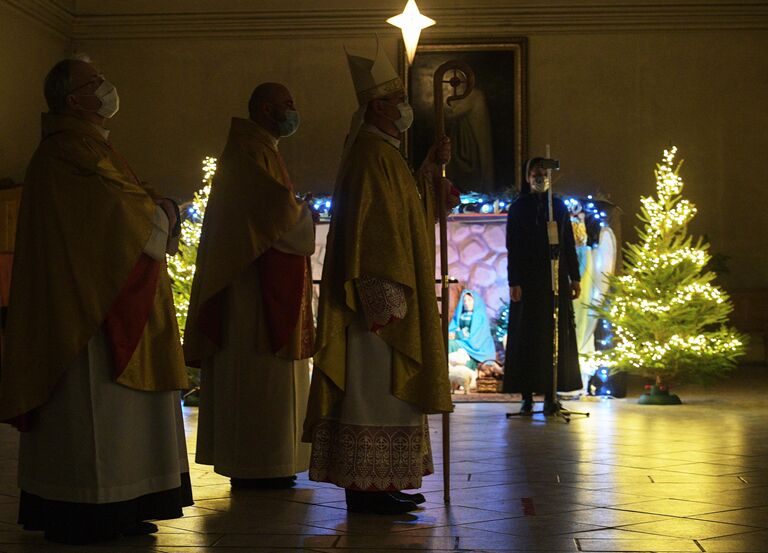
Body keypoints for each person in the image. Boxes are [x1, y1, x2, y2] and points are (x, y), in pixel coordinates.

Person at [0, 56, 192, 544]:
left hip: (101, 301)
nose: (106, 87)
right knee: (94, 416)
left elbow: (128, 204)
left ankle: (123, 502)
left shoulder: (86, 147)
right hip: (84, 315)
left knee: (113, 420)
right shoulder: (68, 152)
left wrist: (154, 209)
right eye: (94, 82)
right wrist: (164, 209)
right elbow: (121, 218)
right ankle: (90, 508)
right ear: (73, 100)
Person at [302, 43, 454, 515]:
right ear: (377, 107)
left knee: (385, 391)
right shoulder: (370, 154)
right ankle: (365, 487)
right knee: (373, 388)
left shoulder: (384, 153)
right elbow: (372, 229)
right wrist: (381, 293)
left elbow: (406, 216)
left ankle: (381, 482)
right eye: (397, 100)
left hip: (390, 289)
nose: (405, 109)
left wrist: (429, 171)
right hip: (378, 298)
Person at [183, 83, 315, 489]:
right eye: (288, 104)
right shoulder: (250, 150)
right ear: (264, 108)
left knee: (264, 377)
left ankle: (269, 462)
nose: (294, 111)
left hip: (255, 281)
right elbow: (273, 214)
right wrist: (302, 213)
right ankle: (258, 465)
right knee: (258, 372)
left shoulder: (258, 147)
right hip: (252, 291)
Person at [504, 157, 582, 415]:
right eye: (535, 173)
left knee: (554, 335)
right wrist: (513, 281)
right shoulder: (518, 208)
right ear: (528, 177)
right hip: (527, 282)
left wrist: (575, 277)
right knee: (527, 336)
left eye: (543, 173)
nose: (539, 177)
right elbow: (512, 247)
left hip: (554, 280)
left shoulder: (558, 207)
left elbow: (568, 243)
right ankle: (527, 396)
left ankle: (551, 395)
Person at [448, 290, 497, 371]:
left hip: (472, 344)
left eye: (469, 300)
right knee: (448, 343)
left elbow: (476, 337)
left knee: (451, 345)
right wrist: (452, 333)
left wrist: (457, 335)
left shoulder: (479, 316)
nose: (467, 303)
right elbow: (455, 326)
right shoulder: (461, 315)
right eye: (464, 301)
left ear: (475, 301)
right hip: (463, 341)